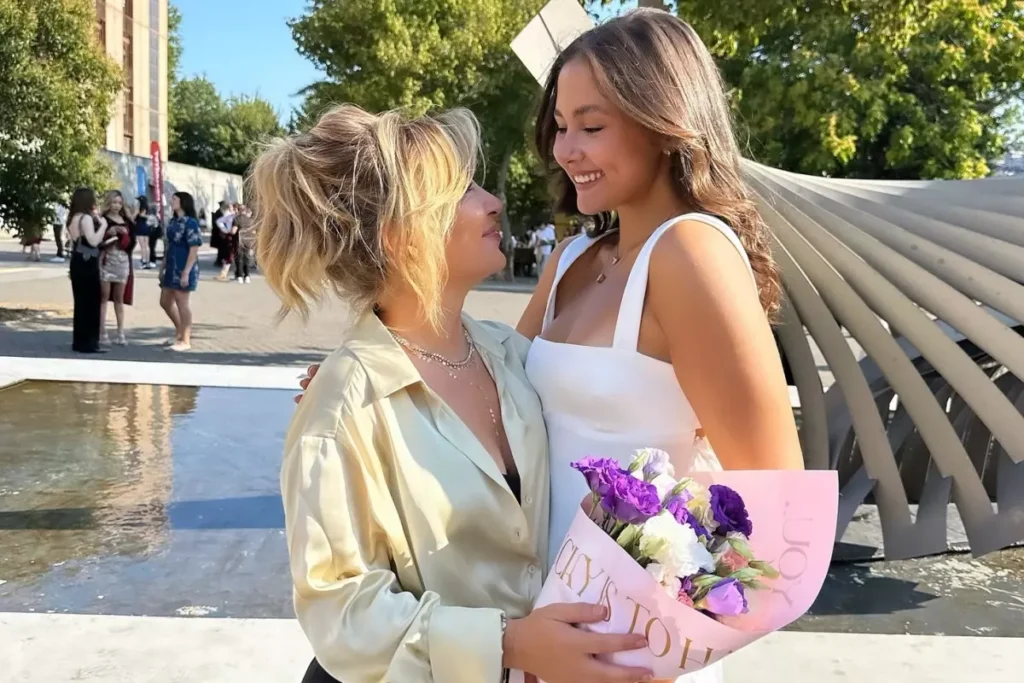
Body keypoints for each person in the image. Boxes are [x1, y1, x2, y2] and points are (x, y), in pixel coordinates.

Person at [257, 104, 652, 683]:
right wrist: (508, 644)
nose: (493, 202)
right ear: (402, 235)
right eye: (462, 190)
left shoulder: (510, 356)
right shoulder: (344, 405)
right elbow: (340, 613)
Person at [518, 10, 803, 681]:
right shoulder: (570, 259)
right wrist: (368, 385)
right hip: (538, 629)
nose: (565, 150)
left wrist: (662, 638)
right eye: (560, 126)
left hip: (632, 651)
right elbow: (489, 395)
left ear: (663, 122)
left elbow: (780, 499)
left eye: (591, 126)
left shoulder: (690, 253)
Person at [160, 192, 202, 352]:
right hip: (171, 265)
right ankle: (180, 330)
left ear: (183, 202)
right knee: (165, 301)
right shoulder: (173, 222)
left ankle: (185, 339)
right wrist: (162, 267)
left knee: (182, 302)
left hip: (184, 265)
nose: (172, 202)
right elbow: (168, 246)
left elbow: (194, 248)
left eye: (175, 199)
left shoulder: (191, 223)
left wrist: (186, 272)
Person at [67, 188, 105, 354]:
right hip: (88, 261)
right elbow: (93, 240)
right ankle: (90, 342)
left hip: (77, 259)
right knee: (91, 302)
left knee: (80, 302)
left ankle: (79, 341)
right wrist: (103, 226)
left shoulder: (73, 218)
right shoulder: (86, 218)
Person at [99, 190, 135, 346]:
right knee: (103, 297)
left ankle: (120, 333)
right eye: (114, 202)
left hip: (122, 261)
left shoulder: (127, 221)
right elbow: (96, 242)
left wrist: (125, 235)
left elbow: (132, 244)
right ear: (108, 203)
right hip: (106, 261)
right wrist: (108, 233)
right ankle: (102, 332)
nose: (117, 206)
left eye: (120, 203)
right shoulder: (102, 219)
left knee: (119, 299)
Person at [214, 202, 237, 280]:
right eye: (230, 207)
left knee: (235, 255)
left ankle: (237, 273)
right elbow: (219, 221)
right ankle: (223, 273)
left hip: (237, 237)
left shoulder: (237, 216)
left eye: (232, 207)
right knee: (229, 255)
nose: (231, 209)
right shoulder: (229, 216)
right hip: (231, 236)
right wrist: (225, 230)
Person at [232, 204, 254, 283]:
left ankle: (240, 276)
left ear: (239, 210)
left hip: (239, 241)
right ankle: (247, 276)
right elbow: (253, 231)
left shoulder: (237, 219)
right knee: (247, 258)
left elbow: (233, 231)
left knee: (239, 259)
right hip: (248, 241)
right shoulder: (250, 220)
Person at [134, 196, 154, 268]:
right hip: (146, 227)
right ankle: (148, 261)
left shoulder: (139, 209)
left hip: (140, 227)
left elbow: (134, 217)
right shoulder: (147, 209)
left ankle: (144, 261)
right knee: (147, 246)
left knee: (142, 246)